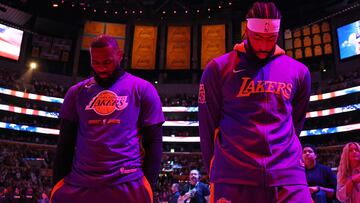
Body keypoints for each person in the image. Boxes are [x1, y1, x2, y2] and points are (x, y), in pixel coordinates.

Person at [198, 2, 312, 202]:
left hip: (288, 176)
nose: (264, 45)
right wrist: (216, 172)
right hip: (234, 177)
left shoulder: (299, 72)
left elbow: (296, 122)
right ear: (247, 30)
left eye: (271, 38)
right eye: (258, 37)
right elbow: (207, 127)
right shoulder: (218, 69)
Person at [51, 35, 165, 203]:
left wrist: (149, 186)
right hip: (79, 185)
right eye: (96, 63)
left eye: (107, 62)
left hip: (128, 184)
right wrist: (57, 185)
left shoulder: (143, 89)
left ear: (119, 56)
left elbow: (154, 141)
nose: (101, 68)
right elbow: (65, 144)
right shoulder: (75, 92)